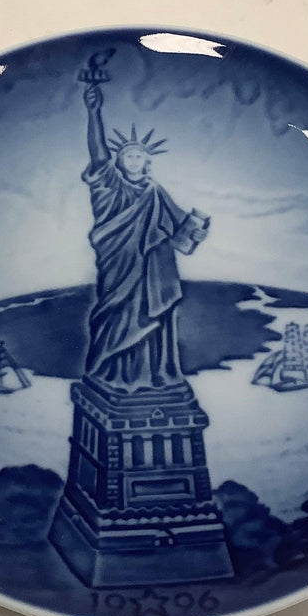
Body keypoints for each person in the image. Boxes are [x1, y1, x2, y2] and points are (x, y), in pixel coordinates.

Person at [81, 81, 208, 392]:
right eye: (128, 156)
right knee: (116, 316)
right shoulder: (109, 185)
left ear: (147, 162)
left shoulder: (154, 191)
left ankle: (155, 375)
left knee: (153, 318)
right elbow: (98, 153)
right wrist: (94, 113)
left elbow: (180, 225)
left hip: (153, 269)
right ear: (119, 162)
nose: (134, 161)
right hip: (119, 265)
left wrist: (197, 229)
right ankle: (111, 374)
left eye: (139, 157)